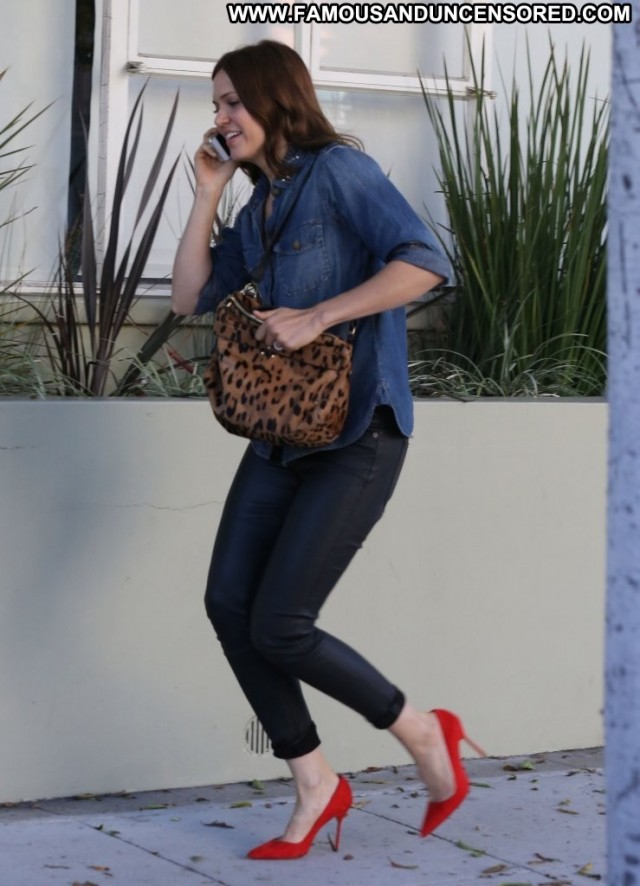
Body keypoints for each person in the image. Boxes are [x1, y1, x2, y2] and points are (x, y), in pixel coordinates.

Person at [171, 39, 482, 861]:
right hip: (282, 437)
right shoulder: (260, 206)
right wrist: (208, 195)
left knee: (280, 623)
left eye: (233, 100)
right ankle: (315, 781)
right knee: (229, 604)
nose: (220, 116)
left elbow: (426, 263)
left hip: (357, 436)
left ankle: (424, 730)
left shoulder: (340, 172)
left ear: (276, 99)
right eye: (215, 103)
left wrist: (319, 315)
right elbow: (191, 295)